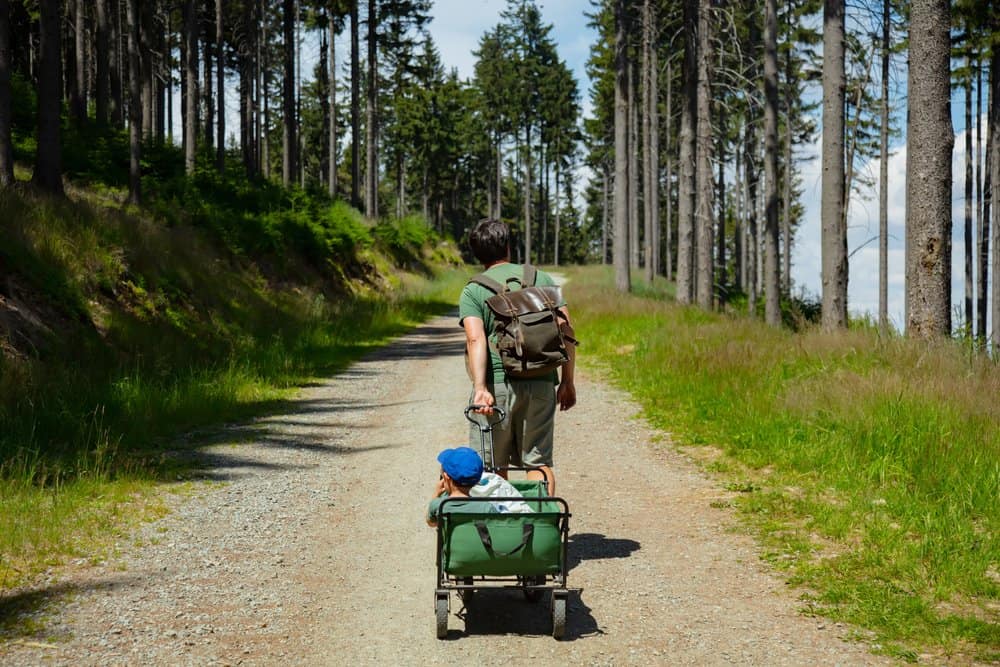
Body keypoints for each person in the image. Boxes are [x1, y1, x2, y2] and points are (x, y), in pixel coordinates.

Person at [459, 218, 576, 496]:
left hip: (497, 386)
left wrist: (480, 389)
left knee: (493, 465)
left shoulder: (473, 290)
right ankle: (540, 529)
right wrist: (567, 381)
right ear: (508, 247)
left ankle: (503, 533)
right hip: (541, 382)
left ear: (477, 254)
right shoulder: (541, 279)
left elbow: (475, 339)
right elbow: (566, 330)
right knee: (538, 462)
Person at [426, 446, 497, 527]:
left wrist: (436, 495)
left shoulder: (438, 505)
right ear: (477, 480)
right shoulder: (487, 508)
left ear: (446, 477)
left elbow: (431, 522)